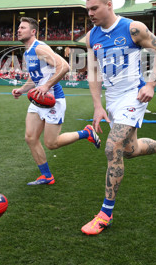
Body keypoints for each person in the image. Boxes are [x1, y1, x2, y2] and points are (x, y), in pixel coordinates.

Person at [81, 0, 156, 235]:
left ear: (109, 4)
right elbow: (94, 72)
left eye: (94, 8)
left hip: (134, 95)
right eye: (87, 10)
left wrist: (151, 83)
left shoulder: (132, 28)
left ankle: (105, 214)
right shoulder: (91, 37)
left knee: (112, 146)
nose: (90, 14)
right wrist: (97, 105)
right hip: (113, 99)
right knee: (130, 150)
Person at [11, 17, 101, 186]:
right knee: (30, 138)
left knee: (51, 143)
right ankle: (47, 176)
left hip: (53, 100)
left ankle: (86, 133)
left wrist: (46, 85)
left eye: (22, 27)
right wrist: (22, 90)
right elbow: (35, 77)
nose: (18, 30)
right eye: (18, 27)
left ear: (32, 32)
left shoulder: (40, 48)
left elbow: (65, 66)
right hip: (38, 99)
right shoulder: (28, 52)